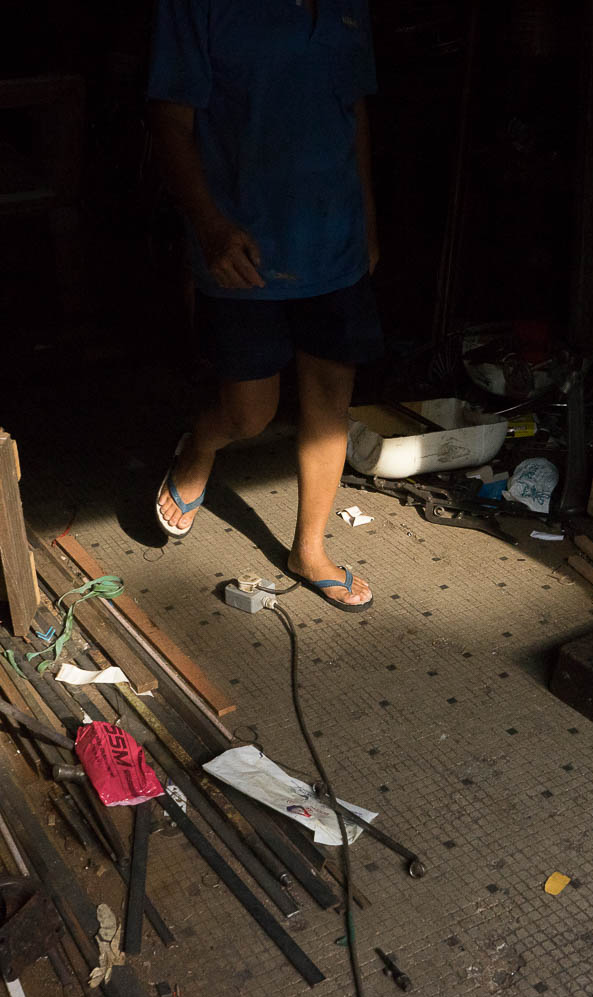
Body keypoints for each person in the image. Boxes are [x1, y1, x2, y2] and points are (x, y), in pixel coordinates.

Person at [147, 0, 380, 612]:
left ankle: (310, 550)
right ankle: (200, 443)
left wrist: (369, 225)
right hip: (242, 243)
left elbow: (353, 114)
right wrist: (210, 227)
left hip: (334, 236)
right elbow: (170, 122)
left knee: (330, 398)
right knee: (250, 412)